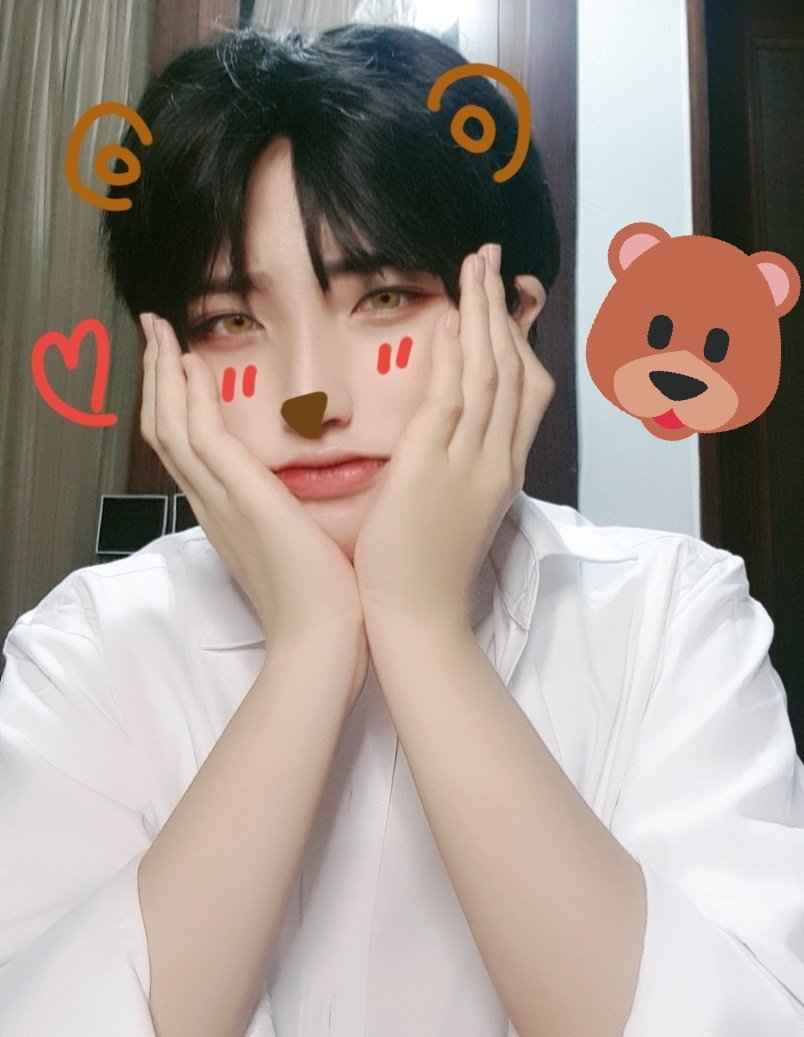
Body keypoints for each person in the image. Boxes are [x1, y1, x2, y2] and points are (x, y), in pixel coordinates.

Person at [1, 22, 803, 1037]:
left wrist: (421, 625)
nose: (312, 398)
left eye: (383, 298)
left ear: (514, 321)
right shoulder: (88, 647)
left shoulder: (670, 617)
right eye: (231, 321)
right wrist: (311, 646)